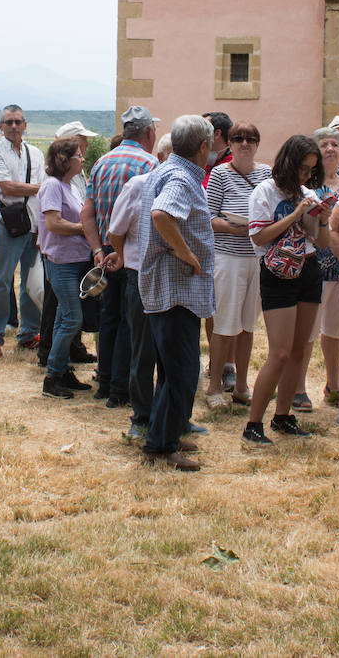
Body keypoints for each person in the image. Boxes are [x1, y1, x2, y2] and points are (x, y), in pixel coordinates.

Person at [137, 114, 216, 471]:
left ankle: (163, 433)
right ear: (203, 147)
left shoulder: (168, 170)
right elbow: (162, 215)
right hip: (175, 286)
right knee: (183, 370)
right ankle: (160, 447)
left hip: (169, 285)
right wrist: (188, 254)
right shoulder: (182, 177)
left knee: (173, 369)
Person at [242, 135, 324, 446]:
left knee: (300, 351)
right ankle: (253, 424)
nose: (305, 176)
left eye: (310, 170)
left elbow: (323, 242)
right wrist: (293, 215)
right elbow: (260, 237)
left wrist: (322, 221)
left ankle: (283, 416)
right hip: (277, 273)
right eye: (302, 168)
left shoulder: (308, 193)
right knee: (280, 352)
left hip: (309, 267)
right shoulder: (265, 191)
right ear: (288, 162)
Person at [80, 106, 159, 404]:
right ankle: (121, 389)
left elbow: (86, 213)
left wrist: (98, 250)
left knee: (108, 317)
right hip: (133, 256)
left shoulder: (101, 162)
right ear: (149, 133)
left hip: (104, 254)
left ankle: (106, 381)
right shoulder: (150, 164)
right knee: (130, 322)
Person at [204, 121, 270, 409]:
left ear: (257, 143)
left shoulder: (267, 173)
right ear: (229, 143)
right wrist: (234, 228)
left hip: (257, 258)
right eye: (239, 138)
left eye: (251, 139)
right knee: (224, 324)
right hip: (228, 258)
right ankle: (214, 386)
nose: (245, 143)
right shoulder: (219, 174)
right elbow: (208, 217)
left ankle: (242, 385)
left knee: (247, 325)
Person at [36, 137, 99, 398]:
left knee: (65, 316)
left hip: (74, 261)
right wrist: (85, 230)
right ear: (65, 159)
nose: (82, 159)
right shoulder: (52, 186)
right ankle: (52, 376)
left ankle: (61, 370)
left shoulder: (69, 186)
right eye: (78, 155)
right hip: (61, 262)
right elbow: (53, 223)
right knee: (73, 317)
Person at [0, 104, 45, 357]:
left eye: (18, 121)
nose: (14, 126)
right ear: (1, 126)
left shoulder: (36, 153)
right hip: (7, 222)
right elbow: (6, 187)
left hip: (33, 222)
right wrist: (37, 189)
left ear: (25, 125)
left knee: (31, 280)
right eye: (9, 122)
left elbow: (28, 186)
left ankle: (29, 332)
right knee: (1, 280)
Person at [298, 125, 339, 412]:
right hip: (315, 266)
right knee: (309, 330)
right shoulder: (308, 187)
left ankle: (334, 384)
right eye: (325, 144)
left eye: (335, 144)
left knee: (334, 331)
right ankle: (299, 387)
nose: (330, 148)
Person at [105, 170, 154, 439]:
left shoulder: (192, 182)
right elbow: (116, 231)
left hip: (175, 278)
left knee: (173, 352)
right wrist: (124, 256)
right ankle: (142, 417)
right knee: (143, 349)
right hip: (141, 274)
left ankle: (175, 417)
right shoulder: (138, 185)